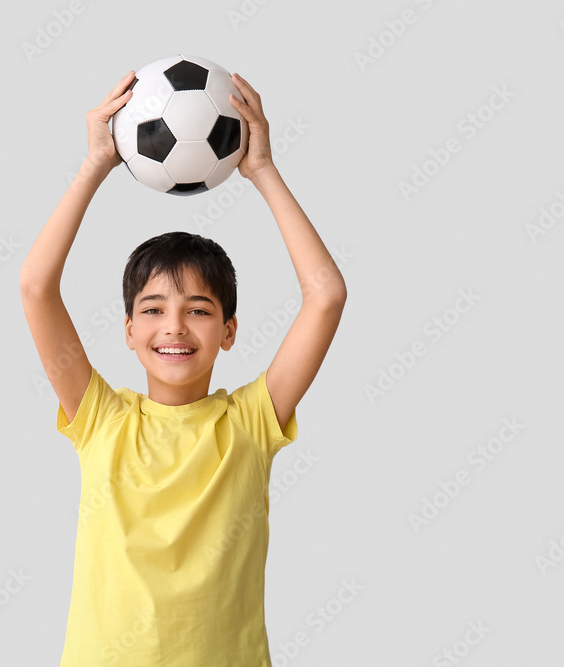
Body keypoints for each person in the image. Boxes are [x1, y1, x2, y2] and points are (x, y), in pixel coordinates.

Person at [20, 68, 347, 666]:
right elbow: (36, 286)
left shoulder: (250, 421)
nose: (173, 326)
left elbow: (325, 295)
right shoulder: (100, 419)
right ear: (128, 332)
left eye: (198, 309)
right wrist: (94, 166)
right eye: (152, 309)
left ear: (228, 331)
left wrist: (263, 171)